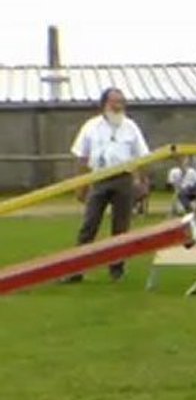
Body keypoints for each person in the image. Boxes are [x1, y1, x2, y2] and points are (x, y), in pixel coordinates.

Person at [63, 87, 149, 283]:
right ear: (104, 105)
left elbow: (142, 156)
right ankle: (76, 270)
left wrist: (143, 182)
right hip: (98, 179)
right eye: (114, 102)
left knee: (121, 228)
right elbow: (82, 157)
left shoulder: (131, 127)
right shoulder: (90, 126)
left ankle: (117, 270)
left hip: (124, 179)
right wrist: (81, 185)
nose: (118, 106)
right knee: (89, 225)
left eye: (121, 102)